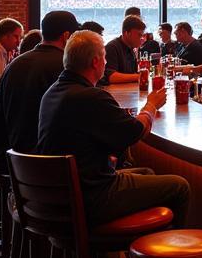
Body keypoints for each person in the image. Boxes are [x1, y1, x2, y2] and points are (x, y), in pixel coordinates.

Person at [37, 31, 190, 226]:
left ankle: (120, 254)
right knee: (179, 186)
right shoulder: (91, 97)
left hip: (56, 195)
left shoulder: (53, 91)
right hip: (90, 198)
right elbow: (137, 132)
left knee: (146, 174)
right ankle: (162, 254)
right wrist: (151, 105)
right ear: (95, 61)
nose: (106, 62)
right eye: (105, 57)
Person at [0, 10, 79, 160]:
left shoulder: (14, 65)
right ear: (66, 36)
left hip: (8, 159)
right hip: (45, 165)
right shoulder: (66, 67)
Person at [102, 14, 145, 85]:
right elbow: (111, 77)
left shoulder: (130, 48)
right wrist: (139, 76)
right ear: (127, 33)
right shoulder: (112, 47)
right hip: (117, 94)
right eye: (139, 35)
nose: (141, 38)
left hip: (127, 92)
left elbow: (132, 73)